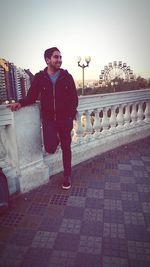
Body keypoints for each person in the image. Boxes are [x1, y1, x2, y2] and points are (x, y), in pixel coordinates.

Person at [8, 47, 78, 189]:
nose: (59, 60)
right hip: (49, 120)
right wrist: (20, 103)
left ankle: (67, 176)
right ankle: (55, 138)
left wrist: (70, 117)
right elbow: (32, 96)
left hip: (64, 119)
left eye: (60, 57)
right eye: (56, 57)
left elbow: (74, 99)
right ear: (47, 60)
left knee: (66, 148)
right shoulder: (40, 78)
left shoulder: (66, 76)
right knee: (50, 148)